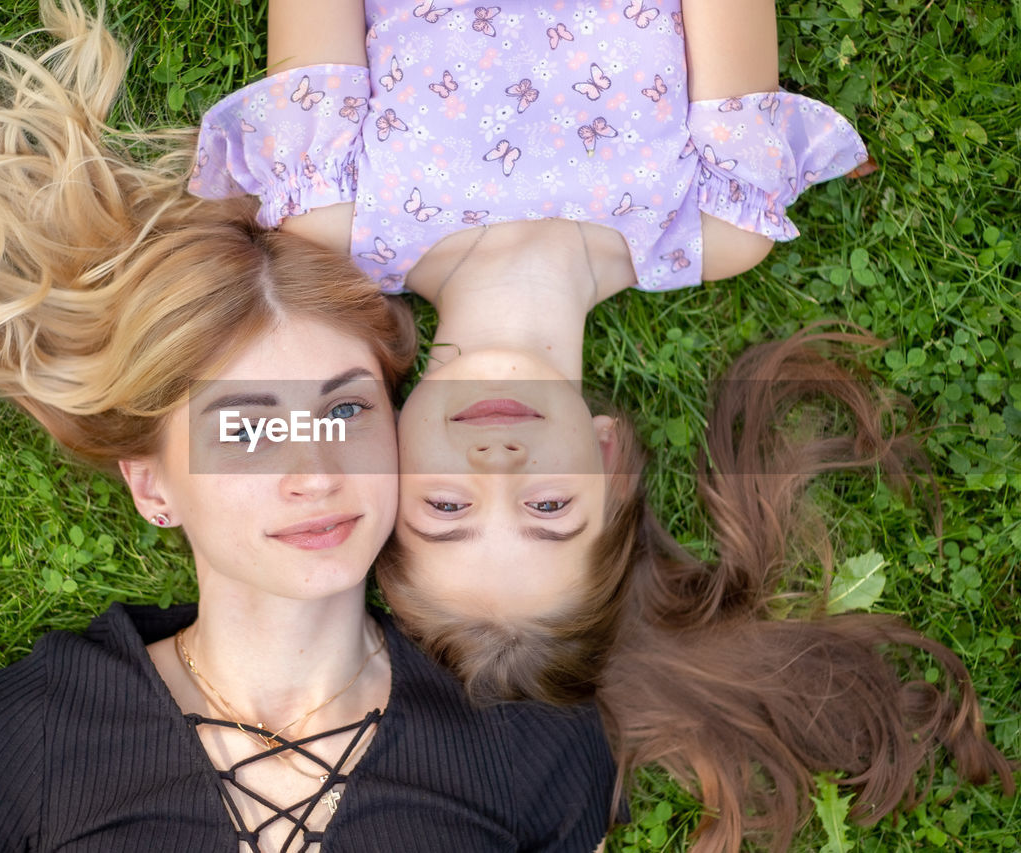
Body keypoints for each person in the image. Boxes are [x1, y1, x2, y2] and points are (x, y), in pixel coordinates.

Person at [0, 1, 619, 850]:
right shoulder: (20, 738)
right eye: (244, 428)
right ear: (154, 483)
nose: (314, 472)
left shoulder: (529, 742)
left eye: (347, 407)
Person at [188, 2, 1014, 850]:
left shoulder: (331, 211)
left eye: (446, 508)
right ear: (611, 460)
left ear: (390, 459)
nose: (498, 467)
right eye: (549, 510)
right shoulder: (718, 221)